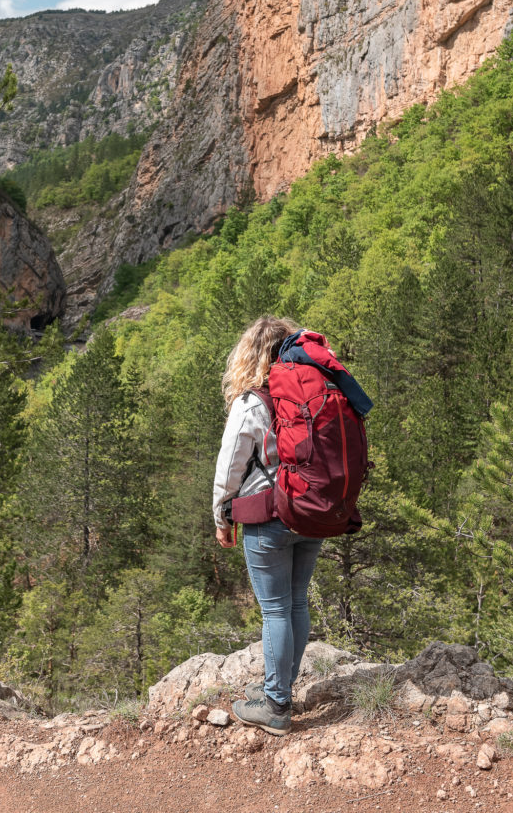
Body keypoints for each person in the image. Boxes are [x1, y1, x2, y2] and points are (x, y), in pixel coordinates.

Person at [213, 315, 323, 735]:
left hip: (268, 518)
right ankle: (279, 690)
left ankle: (276, 706)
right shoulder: (309, 396)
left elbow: (230, 469)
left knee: (275, 608)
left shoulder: (251, 403)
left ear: (249, 355)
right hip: (310, 511)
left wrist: (222, 516)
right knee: (296, 602)